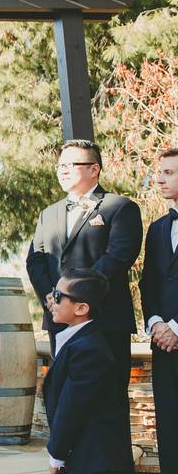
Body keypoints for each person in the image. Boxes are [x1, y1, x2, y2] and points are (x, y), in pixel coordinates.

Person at [25, 138, 140, 469]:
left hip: (104, 322)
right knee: (65, 399)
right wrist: (53, 296)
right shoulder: (49, 214)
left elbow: (118, 257)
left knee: (107, 404)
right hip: (59, 320)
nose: (62, 171)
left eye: (70, 165)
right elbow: (36, 260)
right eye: (60, 165)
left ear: (94, 169)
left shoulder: (119, 208)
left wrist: (74, 295)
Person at [43, 268, 133, 473]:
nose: (50, 301)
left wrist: (57, 455)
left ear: (81, 308)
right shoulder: (77, 341)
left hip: (94, 458)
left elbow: (71, 407)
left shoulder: (89, 350)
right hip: (82, 452)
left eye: (57, 296)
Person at [138, 147, 178, 473]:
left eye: (169, 173)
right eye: (160, 172)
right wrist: (155, 324)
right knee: (169, 428)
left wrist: (176, 327)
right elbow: (147, 283)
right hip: (162, 346)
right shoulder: (157, 228)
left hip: (175, 334)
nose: (160, 179)